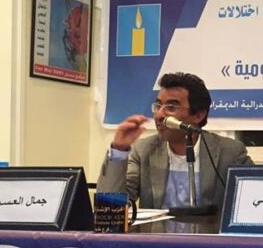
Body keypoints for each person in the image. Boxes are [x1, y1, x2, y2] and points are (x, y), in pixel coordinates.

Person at [97, 72, 253, 210]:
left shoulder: (230, 152)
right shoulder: (143, 150)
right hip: (157, 234)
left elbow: (253, 200)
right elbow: (109, 206)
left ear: (198, 115)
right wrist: (119, 150)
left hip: (208, 234)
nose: (159, 115)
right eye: (158, 106)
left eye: (171, 107)